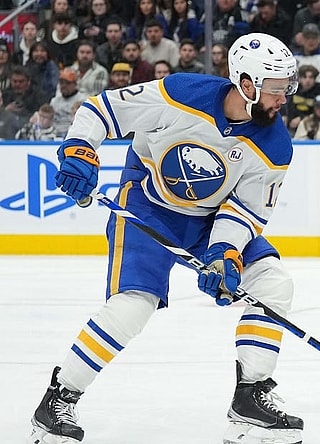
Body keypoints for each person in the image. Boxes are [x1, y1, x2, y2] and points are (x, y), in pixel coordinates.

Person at [29, 32, 305, 444]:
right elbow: (100, 111)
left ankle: (250, 398)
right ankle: (57, 400)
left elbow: (245, 210)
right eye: (276, 89)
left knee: (273, 282)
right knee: (133, 306)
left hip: (208, 220)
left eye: (288, 88)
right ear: (245, 84)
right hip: (146, 204)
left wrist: (224, 253)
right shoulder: (180, 93)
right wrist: (80, 149)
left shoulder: (276, 144)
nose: (283, 98)